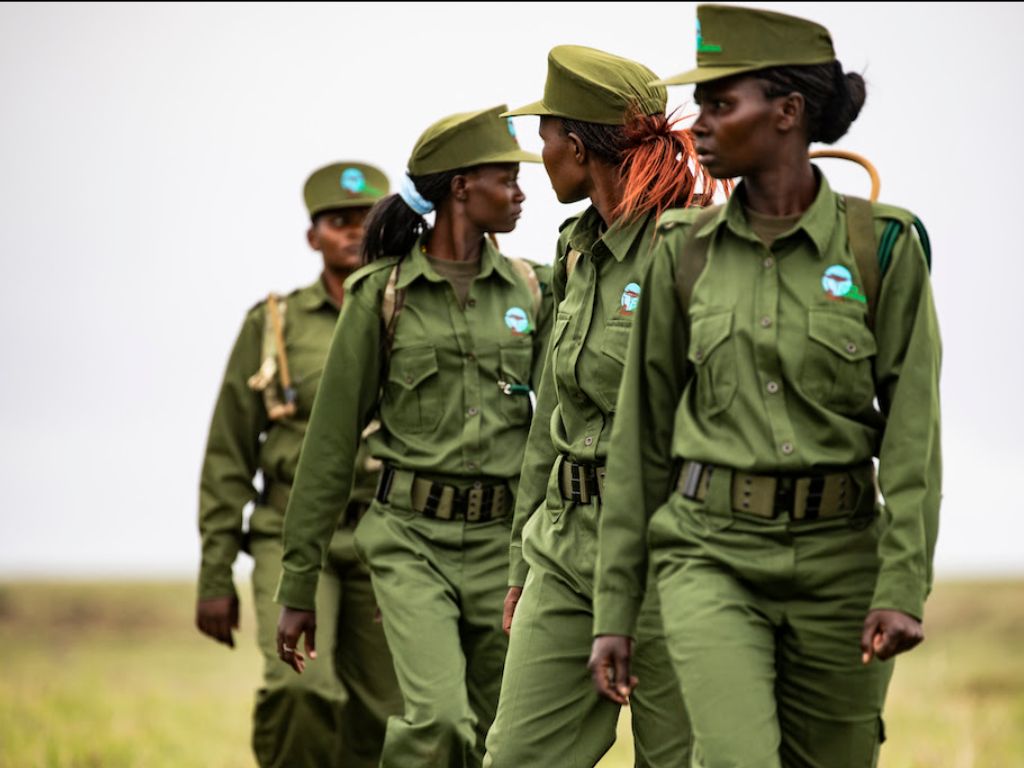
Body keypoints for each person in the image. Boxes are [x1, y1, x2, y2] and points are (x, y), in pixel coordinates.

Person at [590, 6, 941, 767]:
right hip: (708, 556)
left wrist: (901, 586)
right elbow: (641, 437)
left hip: (841, 563)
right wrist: (615, 609)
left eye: (721, 105)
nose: (701, 126)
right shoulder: (681, 252)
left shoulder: (882, 247)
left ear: (788, 113)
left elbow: (914, 434)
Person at [275, 105, 552, 768]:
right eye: (506, 179)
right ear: (460, 187)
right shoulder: (381, 295)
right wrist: (298, 583)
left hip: (504, 546)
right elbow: (330, 444)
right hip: (410, 543)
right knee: (438, 723)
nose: (520, 193)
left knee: (496, 739)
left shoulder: (535, 289)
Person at [483, 46, 722, 768]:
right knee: (515, 756)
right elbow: (550, 420)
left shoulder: (697, 249)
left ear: (578, 147)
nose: (539, 155)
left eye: (545, 136)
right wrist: (522, 560)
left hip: (669, 549)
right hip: (565, 548)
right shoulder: (576, 252)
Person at [195, 161, 403, 768]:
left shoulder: (413, 314)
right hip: (289, 533)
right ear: (313, 236)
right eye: (338, 221)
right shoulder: (273, 326)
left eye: (365, 219)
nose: (353, 232)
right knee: (299, 687)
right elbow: (228, 454)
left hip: (385, 533)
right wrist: (214, 575)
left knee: (385, 711)